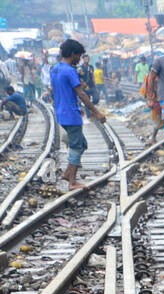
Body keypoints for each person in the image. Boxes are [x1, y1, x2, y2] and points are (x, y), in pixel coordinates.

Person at [50, 39, 107, 191]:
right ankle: (72, 182)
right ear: (73, 54)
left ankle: (68, 173)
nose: (80, 59)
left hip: (61, 112)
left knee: (82, 144)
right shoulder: (70, 70)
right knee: (76, 147)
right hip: (71, 114)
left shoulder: (55, 69)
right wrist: (97, 112)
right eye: (79, 56)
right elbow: (81, 93)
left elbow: (57, 91)